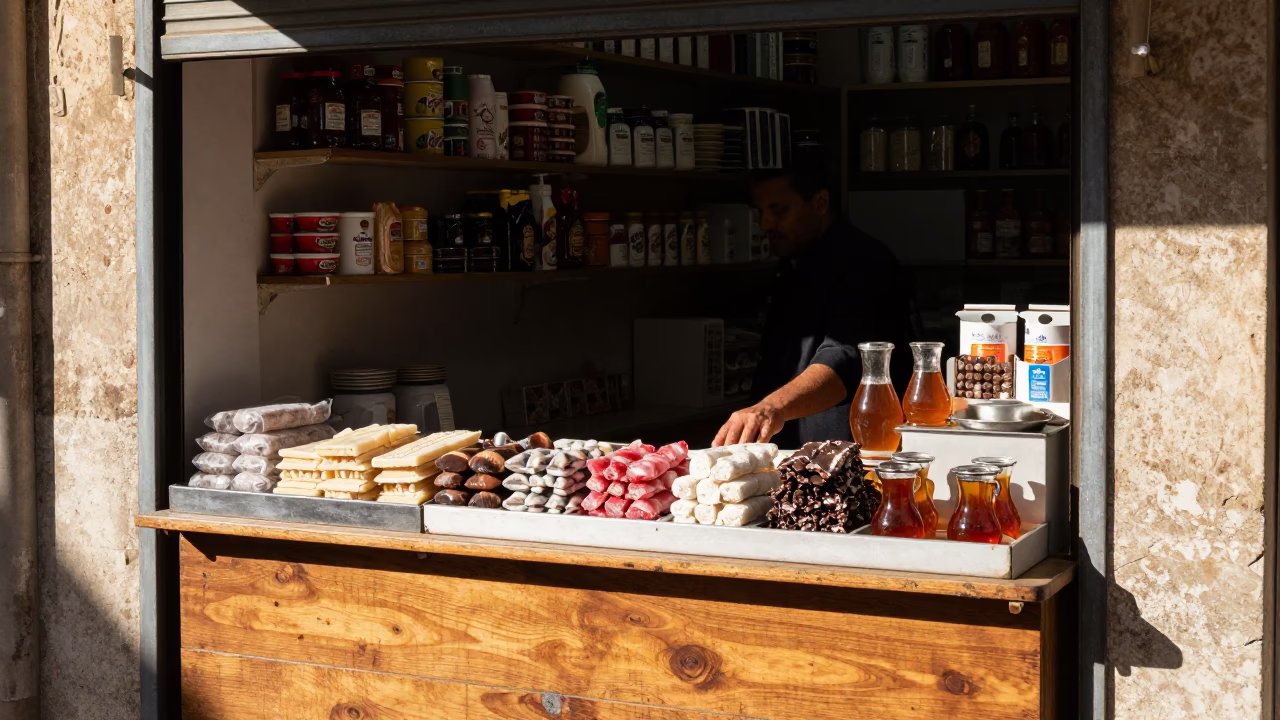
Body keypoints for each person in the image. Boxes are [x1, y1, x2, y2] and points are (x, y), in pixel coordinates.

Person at [713, 164, 916, 448]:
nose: (766, 224)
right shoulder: (793, 261)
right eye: (760, 212)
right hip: (786, 447)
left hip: (844, 453)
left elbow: (845, 356)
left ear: (820, 203)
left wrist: (773, 407)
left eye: (779, 210)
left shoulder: (865, 263)